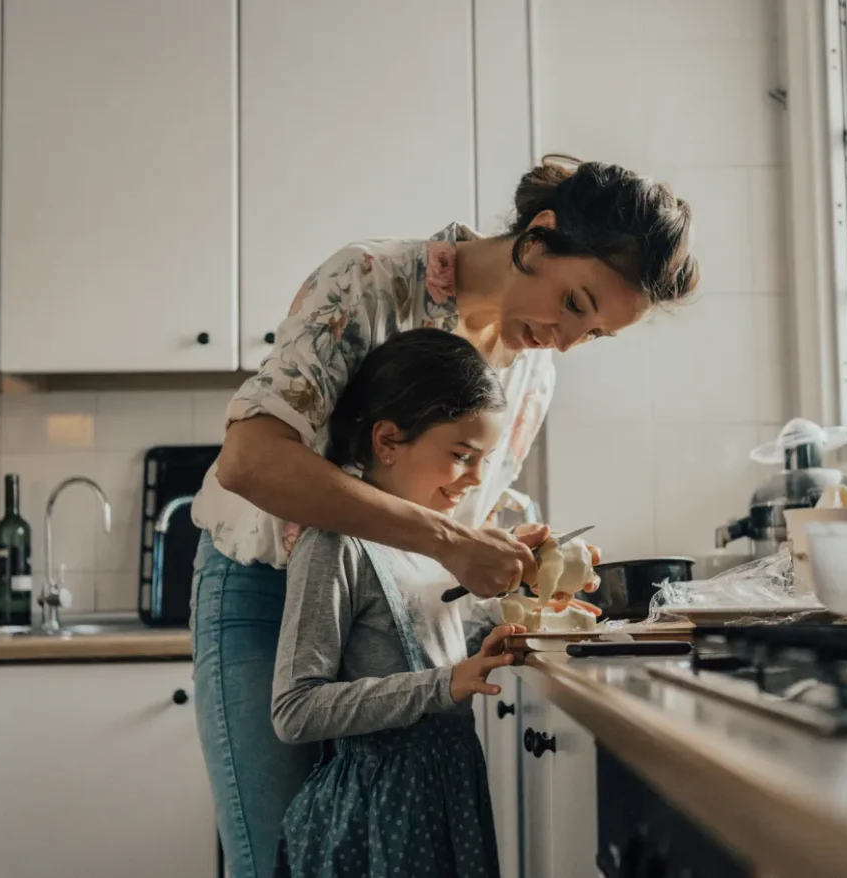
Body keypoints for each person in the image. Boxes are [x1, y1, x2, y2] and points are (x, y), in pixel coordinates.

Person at [190, 156, 700, 876]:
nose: (565, 338)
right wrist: (454, 541)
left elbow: (438, 529)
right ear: (539, 237)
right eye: (576, 303)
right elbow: (249, 462)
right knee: (275, 857)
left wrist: (500, 558)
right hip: (262, 589)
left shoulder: (532, 373)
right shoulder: (369, 280)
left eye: (594, 334)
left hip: (383, 625)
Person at [271, 329, 538, 877]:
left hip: (448, 793)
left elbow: (427, 647)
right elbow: (295, 710)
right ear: (387, 441)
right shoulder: (333, 544)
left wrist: (523, 602)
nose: (476, 479)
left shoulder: (435, 544)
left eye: (485, 459)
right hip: (378, 814)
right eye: (463, 456)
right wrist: (446, 684)